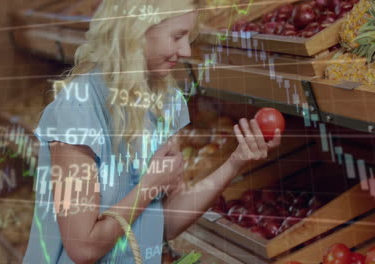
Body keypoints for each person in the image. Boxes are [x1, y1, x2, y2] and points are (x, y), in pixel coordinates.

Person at [23, 0, 281, 263]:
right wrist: (149, 187)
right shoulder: (77, 111)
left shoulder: (166, 102)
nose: (186, 50)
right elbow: (83, 248)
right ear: (138, 31)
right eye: (177, 36)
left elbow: (166, 223)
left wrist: (235, 162)